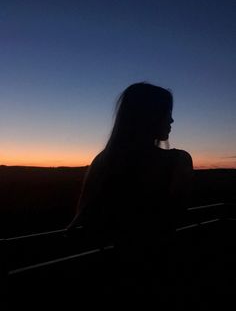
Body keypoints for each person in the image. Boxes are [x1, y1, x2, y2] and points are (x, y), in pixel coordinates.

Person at [67, 82, 193, 269]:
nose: (172, 120)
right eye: (167, 113)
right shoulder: (178, 161)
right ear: (150, 116)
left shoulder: (102, 161)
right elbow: (178, 218)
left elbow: (83, 222)